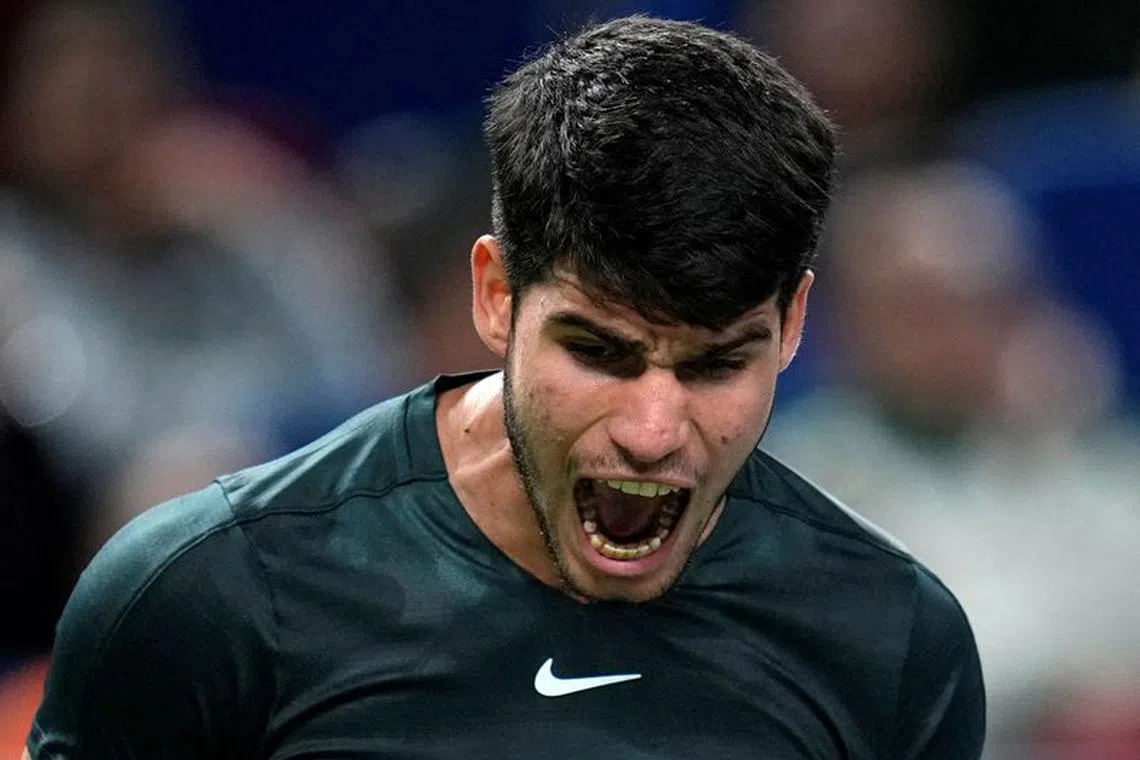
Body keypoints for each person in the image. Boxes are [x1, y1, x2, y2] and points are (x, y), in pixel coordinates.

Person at [25, 16, 985, 759]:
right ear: (495, 296)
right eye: (600, 353)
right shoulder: (207, 596)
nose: (654, 431)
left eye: (715, 364)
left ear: (794, 326)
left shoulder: (889, 640)